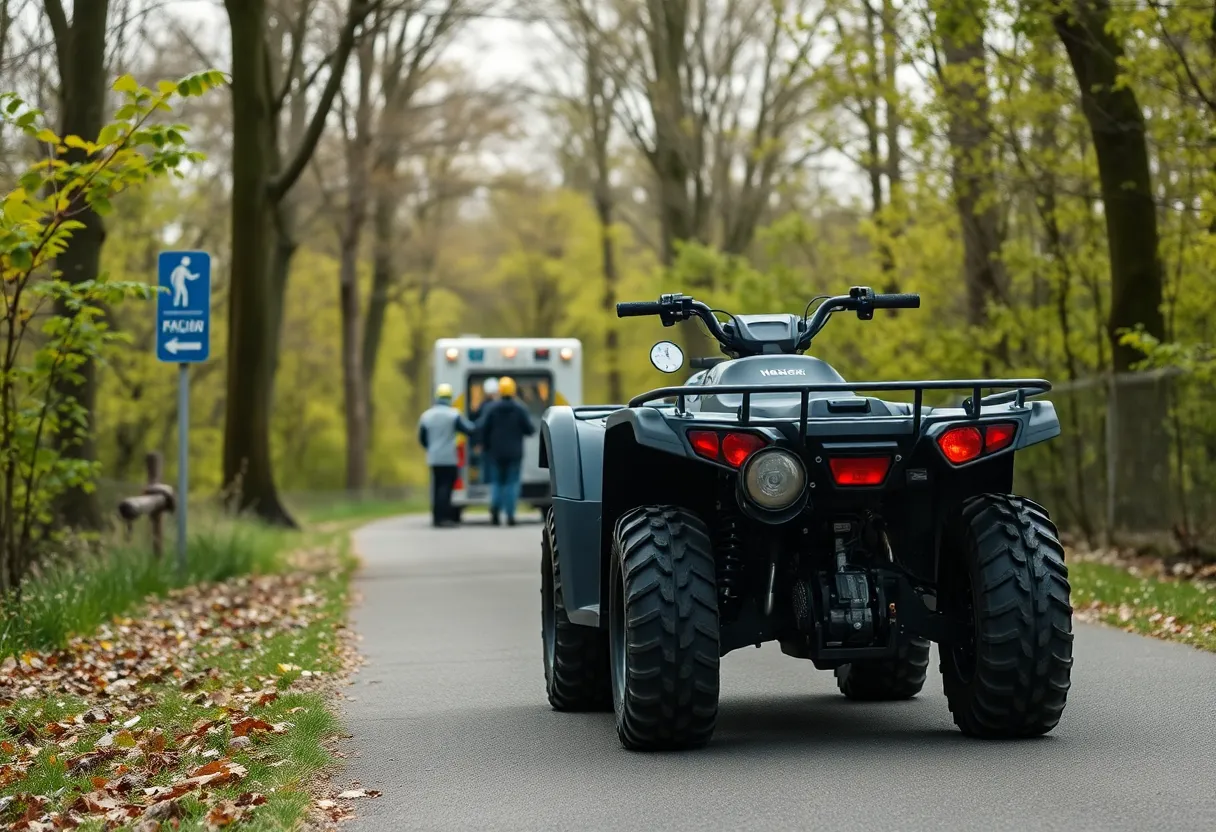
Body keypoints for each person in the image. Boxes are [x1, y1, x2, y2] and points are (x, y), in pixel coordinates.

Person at [475, 375, 535, 526]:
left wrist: (482, 443)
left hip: (495, 453)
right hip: (515, 453)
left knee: (496, 482)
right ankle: (510, 515)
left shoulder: (491, 408)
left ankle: (495, 509)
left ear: (500, 391)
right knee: (512, 483)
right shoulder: (520, 408)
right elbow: (530, 429)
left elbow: (483, 428)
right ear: (513, 390)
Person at [417, 383, 474, 527]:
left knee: (437, 487)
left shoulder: (426, 416)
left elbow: (422, 438)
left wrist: (430, 448)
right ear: (449, 398)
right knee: (446, 487)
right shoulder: (453, 414)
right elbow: (468, 429)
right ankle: (444, 518)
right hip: (449, 457)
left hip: (434, 458)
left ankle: (436, 517)